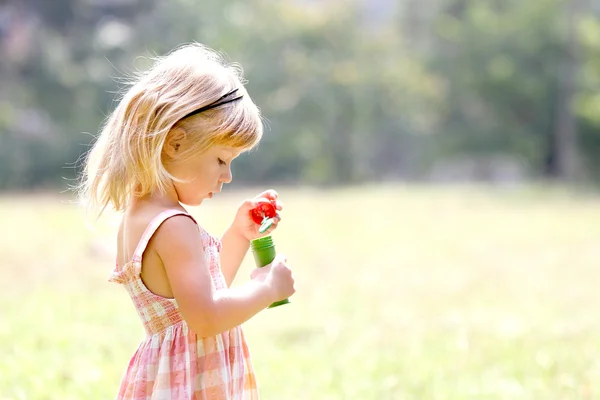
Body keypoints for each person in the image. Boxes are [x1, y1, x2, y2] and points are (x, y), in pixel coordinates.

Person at [78, 42, 296, 400]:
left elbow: (199, 296)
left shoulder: (144, 216)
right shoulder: (174, 225)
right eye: (221, 160)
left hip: (174, 377)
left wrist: (239, 235)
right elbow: (206, 318)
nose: (227, 177)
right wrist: (267, 289)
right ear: (175, 144)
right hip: (190, 383)